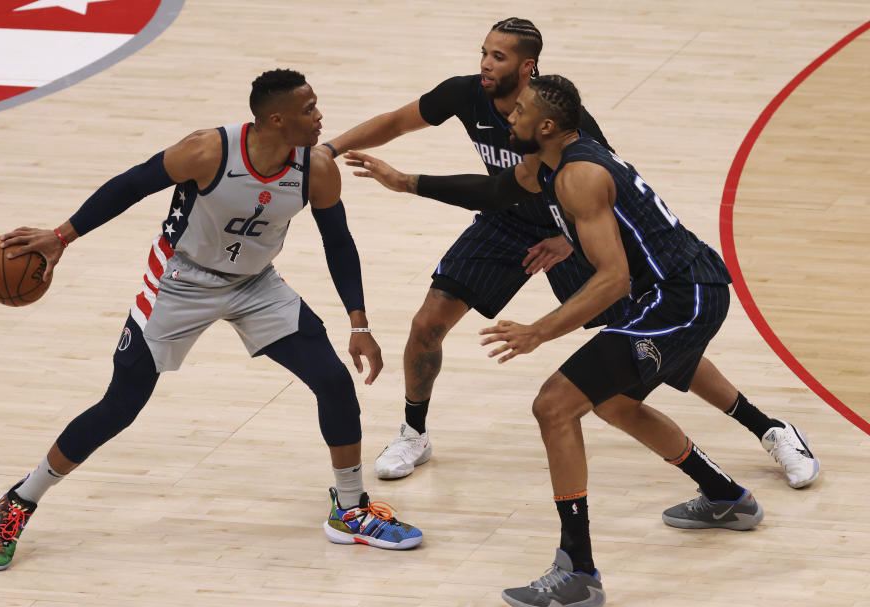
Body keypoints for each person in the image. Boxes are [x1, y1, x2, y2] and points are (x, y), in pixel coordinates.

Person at [324, 17, 818, 488]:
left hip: (575, 230)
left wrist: (568, 239)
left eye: (498, 57)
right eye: (484, 53)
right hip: (509, 219)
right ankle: (415, 433)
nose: (485, 65)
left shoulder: (561, 119)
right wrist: (334, 152)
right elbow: (411, 131)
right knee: (427, 323)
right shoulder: (466, 94)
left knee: (652, 343)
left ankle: (768, 428)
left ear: (526, 68)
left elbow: (603, 191)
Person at [346, 74, 771, 607]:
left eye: (518, 111)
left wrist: (538, 331)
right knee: (614, 403)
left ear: (546, 126)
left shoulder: (579, 175)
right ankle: (726, 497)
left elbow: (612, 278)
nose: (509, 119)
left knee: (554, 404)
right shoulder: (541, 162)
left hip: (681, 296)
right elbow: (497, 194)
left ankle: (578, 573)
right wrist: (407, 182)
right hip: (671, 291)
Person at [0, 69, 423, 572]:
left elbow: (338, 242)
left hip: (255, 284)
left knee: (334, 381)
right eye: (309, 110)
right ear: (276, 120)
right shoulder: (207, 151)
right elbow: (131, 185)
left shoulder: (317, 167)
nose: (321, 117)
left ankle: (350, 510)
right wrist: (62, 236)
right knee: (121, 405)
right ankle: (20, 500)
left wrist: (359, 324)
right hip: (180, 282)